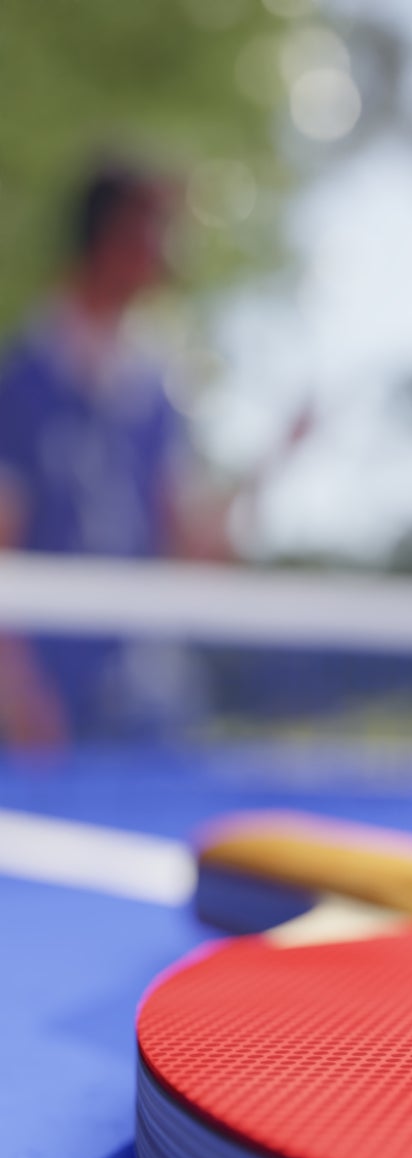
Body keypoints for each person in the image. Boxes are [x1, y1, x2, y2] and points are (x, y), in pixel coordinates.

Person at [0, 162, 222, 747]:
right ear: (110, 235)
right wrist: (14, 685)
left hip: (139, 698)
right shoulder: (22, 381)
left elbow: (184, 544)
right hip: (40, 705)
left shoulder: (158, 392)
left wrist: (274, 470)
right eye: (154, 227)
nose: (167, 250)